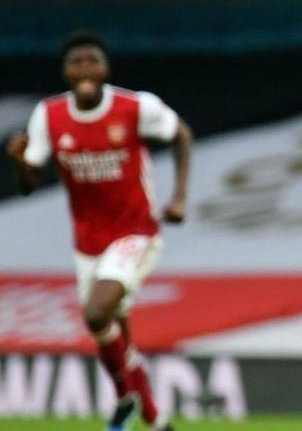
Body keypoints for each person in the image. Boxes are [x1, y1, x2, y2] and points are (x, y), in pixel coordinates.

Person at [6, 29, 193, 431]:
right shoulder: (49, 116)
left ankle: (125, 396)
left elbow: (181, 133)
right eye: (76, 62)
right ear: (65, 70)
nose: (85, 69)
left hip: (135, 231)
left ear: (106, 68)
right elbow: (28, 186)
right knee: (116, 333)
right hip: (88, 242)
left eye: (92, 60)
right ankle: (154, 420)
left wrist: (179, 197)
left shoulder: (135, 107)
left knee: (95, 314)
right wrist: (20, 164)